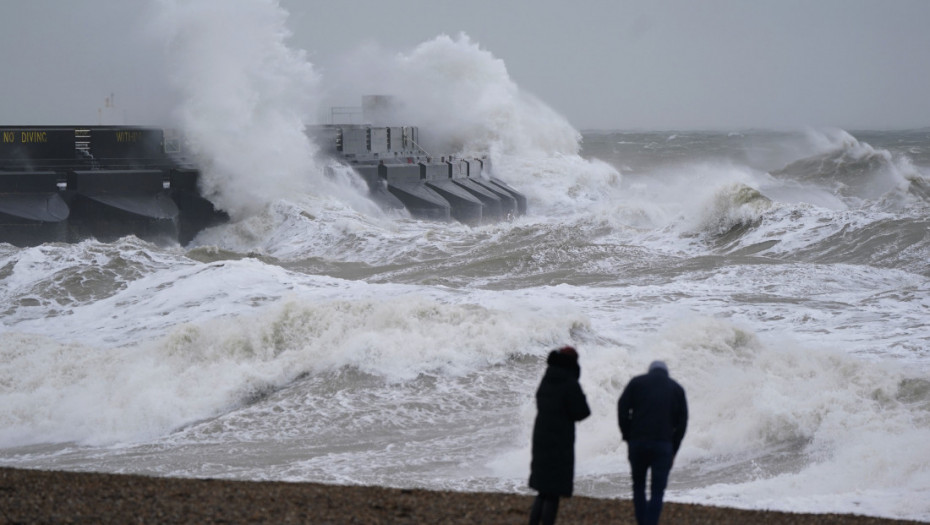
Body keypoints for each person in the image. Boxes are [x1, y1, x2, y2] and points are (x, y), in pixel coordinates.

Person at [617, 360, 688, 525]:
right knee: (657, 491)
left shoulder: (636, 383)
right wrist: (673, 449)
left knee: (639, 486)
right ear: (666, 373)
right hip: (663, 446)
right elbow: (682, 423)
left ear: (650, 371)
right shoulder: (676, 388)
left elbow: (622, 407)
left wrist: (627, 435)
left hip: (638, 442)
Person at [528, 346, 591, 525]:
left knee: (543, 490)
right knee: (553, 493)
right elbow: (583, 412)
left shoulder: (547, 378)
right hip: (559, 442)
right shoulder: (569, 382)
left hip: (540, 438)